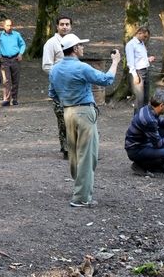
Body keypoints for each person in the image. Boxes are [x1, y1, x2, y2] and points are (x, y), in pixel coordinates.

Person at [49, 34, 121, 208]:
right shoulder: (82, 67)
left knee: (74, 152)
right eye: (81, 45)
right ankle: (81, 197)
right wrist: (115, 62)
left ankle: (79, 186)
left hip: (67, 112)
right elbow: (106, 80)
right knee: (88, 154)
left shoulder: (55, 69)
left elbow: (52, 94)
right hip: (84, 111)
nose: (83, 48)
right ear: (74, 49)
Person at [125, 88, 164, 176]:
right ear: (161, 105)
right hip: (136, 150)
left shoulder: (148, 109)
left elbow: (159, 121)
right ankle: (140, 166)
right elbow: (159, 144)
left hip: (142, 143)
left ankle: (158, 165)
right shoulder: (149, 120)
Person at [42, 14, 73, 158]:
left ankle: (77, 146)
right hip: (59, 87)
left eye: (67, 24)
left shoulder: (74, 41)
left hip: (74, 86)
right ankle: (66, 148)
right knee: (62, 117)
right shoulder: (51, 43)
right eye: (62, 24)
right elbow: (47, 66)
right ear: (57, 26)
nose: (65, 26)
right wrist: (61, 74)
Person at [0, 18, 26, 106]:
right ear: (3, 26)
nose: (9, 27)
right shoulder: (0, 35)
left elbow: (22, 44)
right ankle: (7, 99)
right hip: (4, 60)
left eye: (11, 25)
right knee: (6, 80)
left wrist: (20, 54)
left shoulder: (16, 34)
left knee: (16, 79)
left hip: (15, 59)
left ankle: (15, 99)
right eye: (7, 25)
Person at [125, 26, 155, 114]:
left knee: (146, 98)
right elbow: (130, 62)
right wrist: (135, 76)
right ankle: (137, 121)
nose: (145, 39)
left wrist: (148, 59)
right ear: (139, 33)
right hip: (138, 73)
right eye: (144, 36)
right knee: (139, 99)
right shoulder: (131, 44)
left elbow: (140, 59)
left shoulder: (141, 44)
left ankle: (144, 119)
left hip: (146, 71)